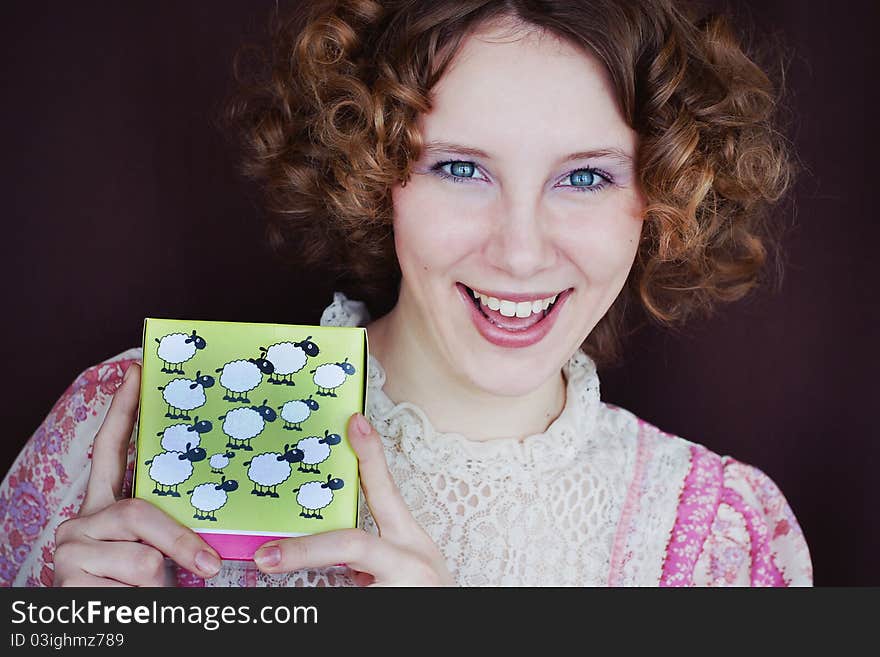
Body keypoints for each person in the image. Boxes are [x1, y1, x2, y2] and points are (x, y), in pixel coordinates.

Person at [0, 0, 812, 587]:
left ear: (665, 193)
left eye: (587, 175)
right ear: (375, 173)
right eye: (461, 168)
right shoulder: (131, 423)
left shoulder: (725, 544)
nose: (521, 251)